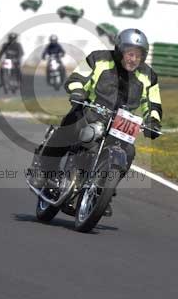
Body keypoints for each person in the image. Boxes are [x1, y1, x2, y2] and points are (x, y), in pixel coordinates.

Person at [30, 28, 163, 215]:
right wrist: (78, 92)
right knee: (71, 127)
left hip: (120, 124)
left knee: (129, 151)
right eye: (129, 54)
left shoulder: (148, 76)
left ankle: (101, 191)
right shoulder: (98, 58)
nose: (133, 59)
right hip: (89, 110)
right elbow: (76, 78)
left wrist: (153, 122)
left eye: (138, 55)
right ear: (119, 50)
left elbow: (153, 103)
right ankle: (44, 170)